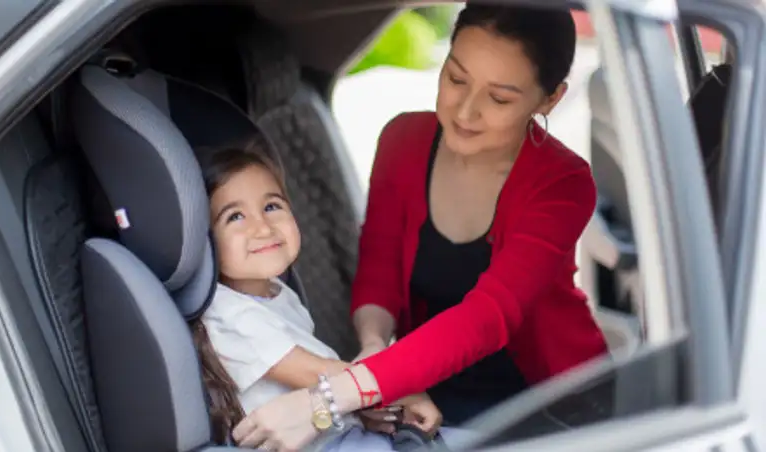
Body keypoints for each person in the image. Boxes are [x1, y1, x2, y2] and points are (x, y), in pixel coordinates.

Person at [232, 4, 609, 451]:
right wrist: (374, 345)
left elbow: (487, 318)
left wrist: (326, 401)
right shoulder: (404, 140)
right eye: (456, 78)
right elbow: (378, 272)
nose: (466, 111)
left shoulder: (563, 183)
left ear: (550, 99)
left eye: (499, 98)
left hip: (545, 401)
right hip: (422, 383)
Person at [187, 137, 458, 450]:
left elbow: (327, 391)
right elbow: (319, 373)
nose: (263, 227)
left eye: (272, 206)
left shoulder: (277, 293)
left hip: (335, 431)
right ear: (203, 239)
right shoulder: (227, 313)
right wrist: (400, 388)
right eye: (235, 216)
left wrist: (362, 410)